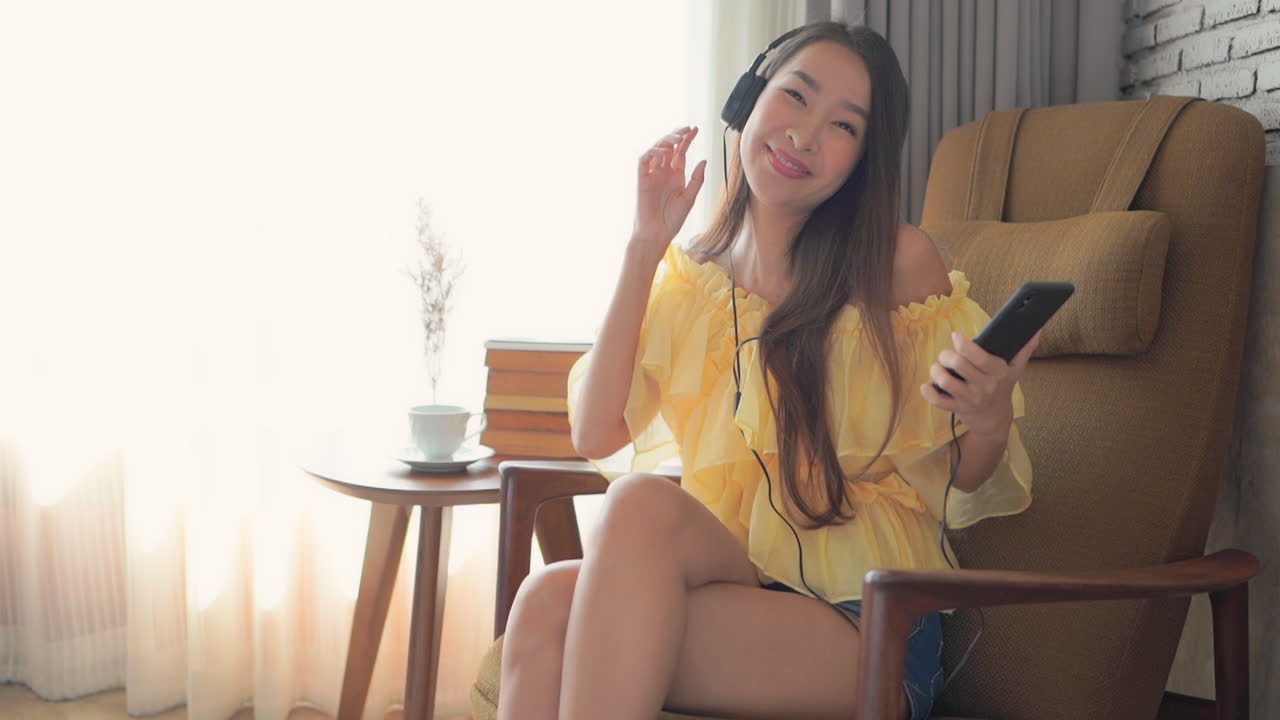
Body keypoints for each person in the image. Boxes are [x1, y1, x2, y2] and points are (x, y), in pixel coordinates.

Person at [498, 21, 1038, 720]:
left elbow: (962, 473)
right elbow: (596, 430)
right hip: (737, 579)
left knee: (588, 593)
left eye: (843, 125)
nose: (805, 135)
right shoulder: (693, 277)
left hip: (862, 618)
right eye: (794, 97)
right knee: (551, 592)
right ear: (748, 99)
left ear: (861, 159)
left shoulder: (899, 264)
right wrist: (643, 247)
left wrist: (991, 415)